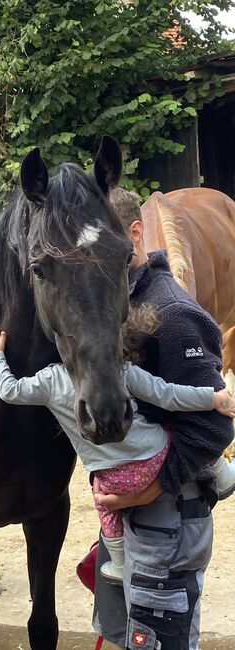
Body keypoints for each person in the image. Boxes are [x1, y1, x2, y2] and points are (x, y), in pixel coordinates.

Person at [90, 187, 235, 650]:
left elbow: (215, 425)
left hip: (171, 513)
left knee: (160, 639)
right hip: (144, 515)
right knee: (136, 632)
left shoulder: (172, 314)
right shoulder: (118, 303)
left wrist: (150, 488)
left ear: (135, 234)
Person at [0, 319, 235, 585]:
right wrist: (212, 398)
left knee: (103, 503)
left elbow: (9, 390)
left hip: (114, 480)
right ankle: (220, 472)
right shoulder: (121, 368)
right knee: (180, 429)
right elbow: (166, 394)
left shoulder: (50, 381)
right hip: (157, 458)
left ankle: (118, 562)